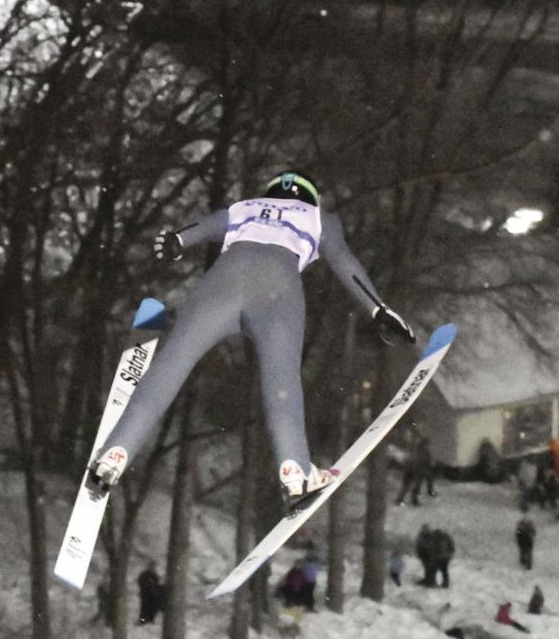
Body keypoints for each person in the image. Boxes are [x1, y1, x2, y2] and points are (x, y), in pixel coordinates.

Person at [87, 171, 415, 509]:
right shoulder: (320, 218)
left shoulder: (243, 207)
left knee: (173, 362)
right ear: (309, 197)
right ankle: (294, 469)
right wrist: (378, 309)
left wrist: (175, 242)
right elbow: (345, 262)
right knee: (281, 378)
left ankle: (116, 452)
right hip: (277, 287)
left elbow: (193, 232)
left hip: (222, 282)